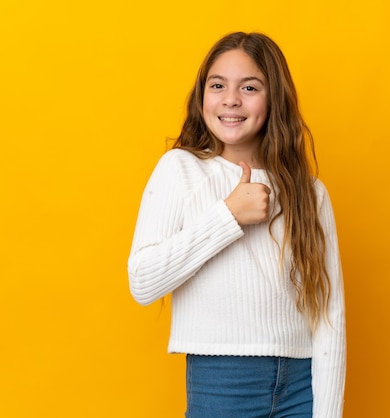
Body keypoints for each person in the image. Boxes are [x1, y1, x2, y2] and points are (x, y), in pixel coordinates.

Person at [128, 32, 346, 417]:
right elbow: (143, 282)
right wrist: (228, 215)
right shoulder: (180, 170)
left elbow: (329, 315)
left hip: (301, 382)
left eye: (249, 86)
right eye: (217, 85)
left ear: (273, 98)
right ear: (202, 96)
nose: (231, 99)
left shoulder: (309, 193)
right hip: (223, 380)